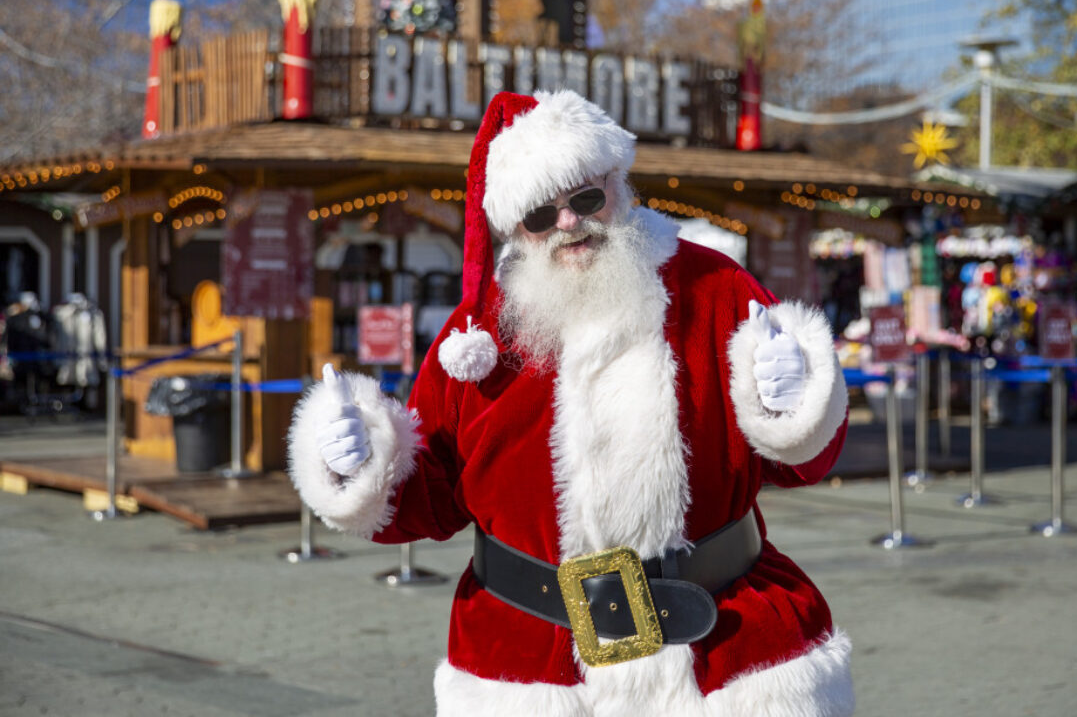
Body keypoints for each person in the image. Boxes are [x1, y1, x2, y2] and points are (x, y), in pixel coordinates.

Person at [288, 90, 853, 716]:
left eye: (586, 198)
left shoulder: (715, 290)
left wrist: (793, 402)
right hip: (530, 667)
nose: (568, 223)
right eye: (539, 214)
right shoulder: (478, 339)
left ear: (618, 185)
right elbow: (427, 500)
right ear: (515, 229)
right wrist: (359, 463)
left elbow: (804, 463)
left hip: (722, 655)